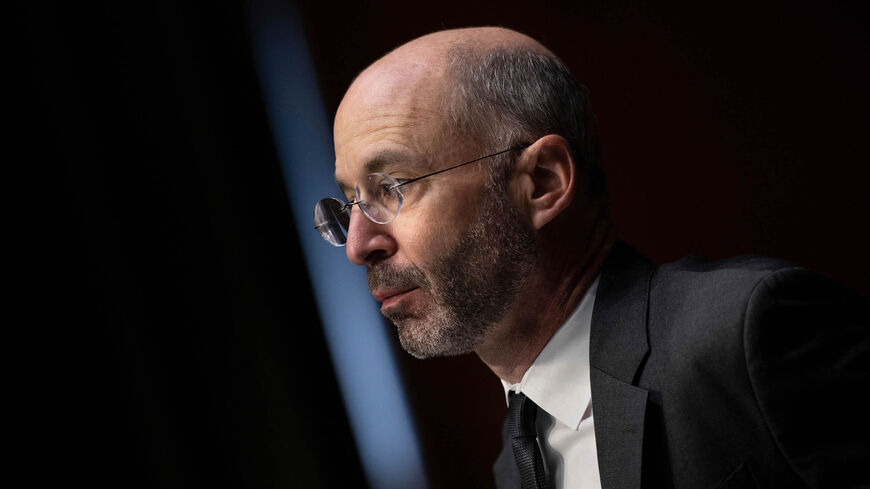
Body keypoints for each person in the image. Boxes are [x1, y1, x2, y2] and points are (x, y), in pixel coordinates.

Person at [312, 27, 869, 489]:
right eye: (350, 201)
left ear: (542, 183)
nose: (360, 244)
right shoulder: (513, 464)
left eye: (392, 186)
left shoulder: (748, 334)